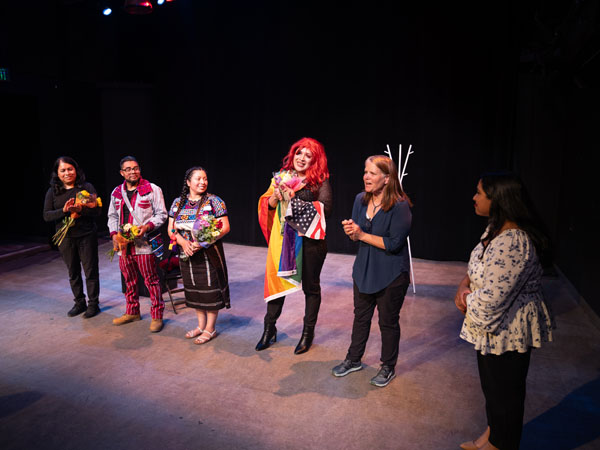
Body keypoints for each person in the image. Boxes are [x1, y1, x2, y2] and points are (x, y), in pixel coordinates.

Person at [455, 173, 554, 450]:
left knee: (506, 392)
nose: (474, 198)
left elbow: (491, 302)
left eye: (479, 193)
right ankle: (493, 434)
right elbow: (475, 270)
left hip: (508, 329)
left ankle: (502, 443)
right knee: (493, 389)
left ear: (497, 199)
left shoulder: (514, 243)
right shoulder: (493, 229)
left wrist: (463, 297)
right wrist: (463, 286)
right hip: (494, 330)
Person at [332, 155, 412, 388]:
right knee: (361, 317)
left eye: (372, 173)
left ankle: (388, 366)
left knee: (388, 322)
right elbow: (357, 235)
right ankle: (354, 359)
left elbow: (394, 243)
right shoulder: (360, 199)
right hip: (364, 269)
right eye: (365, 172)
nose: (366, 177)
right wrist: (351, 231)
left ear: (386, 179)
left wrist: (362, 235)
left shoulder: (400, 205)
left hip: (391, 273)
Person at [256, 137, 332, 354]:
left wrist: (295, 200)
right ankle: (269, 329)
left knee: (311, 288)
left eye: (308, 156)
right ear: (293, 154)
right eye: (299, 153)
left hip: (310, 244)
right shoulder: (281, 177)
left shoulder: (319, 181)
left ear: (315, 160)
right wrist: (274, 198)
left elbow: (326, 209)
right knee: (276, 287)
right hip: (284, 241)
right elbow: (267, 203)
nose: (302, 158)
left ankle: (308, 333)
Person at [167, 166, 231, 344]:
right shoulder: (177, 203)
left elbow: (225, 226)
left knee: (209, 289)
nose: (203, 182)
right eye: (198, 179)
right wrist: (183, 243)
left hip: (208, 253)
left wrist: (202, 242)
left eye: (205, 179)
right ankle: (200, 325)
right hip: (186, 252)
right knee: (194, 290)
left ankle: (210, 328)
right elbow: (171, 229)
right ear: (188, 182)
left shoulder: (215, 201)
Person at [107, 156, 168, 333]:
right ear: (121, 173)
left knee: (151, 280)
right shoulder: (116, 192)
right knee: (129, 280)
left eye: (135, 168)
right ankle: (132, 311)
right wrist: (113, 235)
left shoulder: (152, 189)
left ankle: (157, 315)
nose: (132, 171)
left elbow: (161, 214)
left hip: (144, 244)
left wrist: (147, 226)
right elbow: (112, 216)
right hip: (124, 246)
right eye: (128, 169)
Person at [43, 156, 102, 318]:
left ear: (76, 170)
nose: (67, 173)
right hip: (66, 238)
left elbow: (97, 211)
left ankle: (93, 304)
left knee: (90, 271)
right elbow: (46, 216)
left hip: (86, 235)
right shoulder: (53, 191)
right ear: (57, 173)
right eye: (63, 170)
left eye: (70, 169)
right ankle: (79, 302)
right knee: (73, 272)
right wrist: (65, 210)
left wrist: (80, 210)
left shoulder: (86, 187)